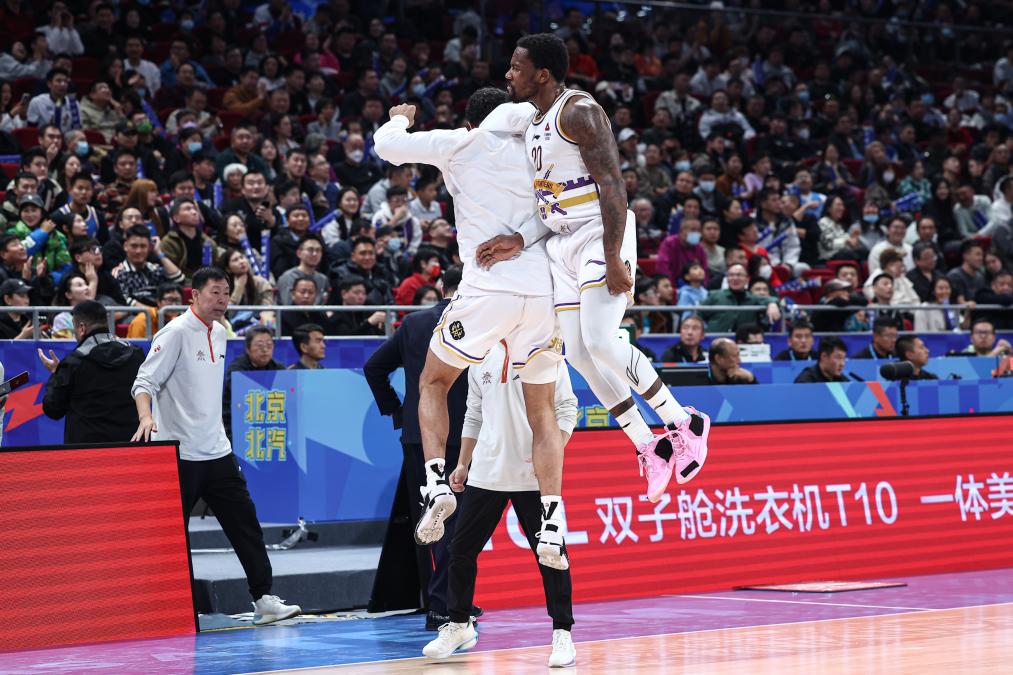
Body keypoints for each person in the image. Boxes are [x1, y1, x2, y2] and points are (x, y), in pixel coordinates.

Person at [481, 34, 710, 518]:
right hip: (560, 240)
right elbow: (552, 200)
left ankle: (683, 421)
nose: (509, 74)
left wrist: (613, 257)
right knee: (581, 355)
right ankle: (648, 444)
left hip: (599, 235)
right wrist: (520, 238)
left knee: (603, 342)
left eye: (517, 67)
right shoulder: (534, 121)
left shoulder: (579, 111)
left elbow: (613, 186)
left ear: (543, 74)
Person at [374, 88, 573, 571]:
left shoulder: (462, 142)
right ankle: (552, 517)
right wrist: (522, 237)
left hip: (488, 290)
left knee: (433, 382)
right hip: (542, 296)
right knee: (542, 410)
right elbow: (561, 216)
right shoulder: (541, 150)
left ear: (470, 122)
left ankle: (436, 483)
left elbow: (386, 147)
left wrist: (399, 119)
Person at [131, 267, 301, 626]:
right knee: (169, 536)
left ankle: (264, 600)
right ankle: (164, 606)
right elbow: (144, 382)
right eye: (214, 292)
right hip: (178, 453)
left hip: (217, 450)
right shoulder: (175, 332)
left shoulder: (222, 331)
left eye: (226, 293)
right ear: (194, 294)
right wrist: (146, 417)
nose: (222, 300)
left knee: (246, 525)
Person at [424, 341, 577, 666]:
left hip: (533, 476)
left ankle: (562, 632)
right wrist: (463, 462)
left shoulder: (547, 352)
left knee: (551, 555)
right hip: (486, 473)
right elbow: (474, 414)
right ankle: (459, 624)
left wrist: (550, 456)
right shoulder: (480, 355)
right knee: (460, 550)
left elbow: (567, 409)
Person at [363, 266, 471, 629]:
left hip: (419, 436)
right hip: (465, 436)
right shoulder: (481, 320)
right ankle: (447, 606)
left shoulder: (413, 323)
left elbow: (374, 367)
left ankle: (440, 603)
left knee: (430, 521)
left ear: (441, 286)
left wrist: (398, 411)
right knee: (458, 524)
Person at [38, 301, 145, 443]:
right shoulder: (136, 355)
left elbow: (52, 409)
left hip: (87, 451)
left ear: (82, 328)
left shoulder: (73, 363)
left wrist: (56, 373)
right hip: (132, 447)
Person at [223, 326, 284, 438]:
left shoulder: (278, 368)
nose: (265, 349)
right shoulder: (237, 368)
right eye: (259, 345)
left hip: (270, 426)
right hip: (238, 425)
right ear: (248, 348)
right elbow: (242, 393)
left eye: (269, 345)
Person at [698, 263, 782, 332]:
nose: (735, 278)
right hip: (716, 340)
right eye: (731, 275)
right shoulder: (715, 295)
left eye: (739, 275)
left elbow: (770, 299)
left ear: (747, 279)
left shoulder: (752, 298)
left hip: (743, 342)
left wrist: (772, 304)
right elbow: (699, 315)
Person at [276, 233, 330, 305]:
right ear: (299, 253)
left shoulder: (323, 279)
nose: (315, 254)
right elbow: (287, 306)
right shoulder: (288, 277)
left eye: (318, 250)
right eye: (310, 250)